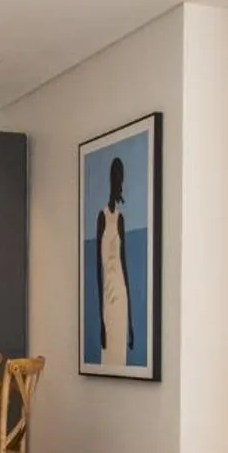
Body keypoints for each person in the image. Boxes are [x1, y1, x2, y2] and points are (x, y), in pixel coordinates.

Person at [95, 155, 131, 366]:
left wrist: (132, 322)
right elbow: (97, 270)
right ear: (113, 181)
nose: (120, 185)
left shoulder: (121, 219)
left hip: (121, 296)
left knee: (119, 358)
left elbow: (124, 267)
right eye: (119, 180)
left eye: (122, 181)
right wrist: (100, 317)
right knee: (108, 358)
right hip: (107, 298)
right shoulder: (102, 217)